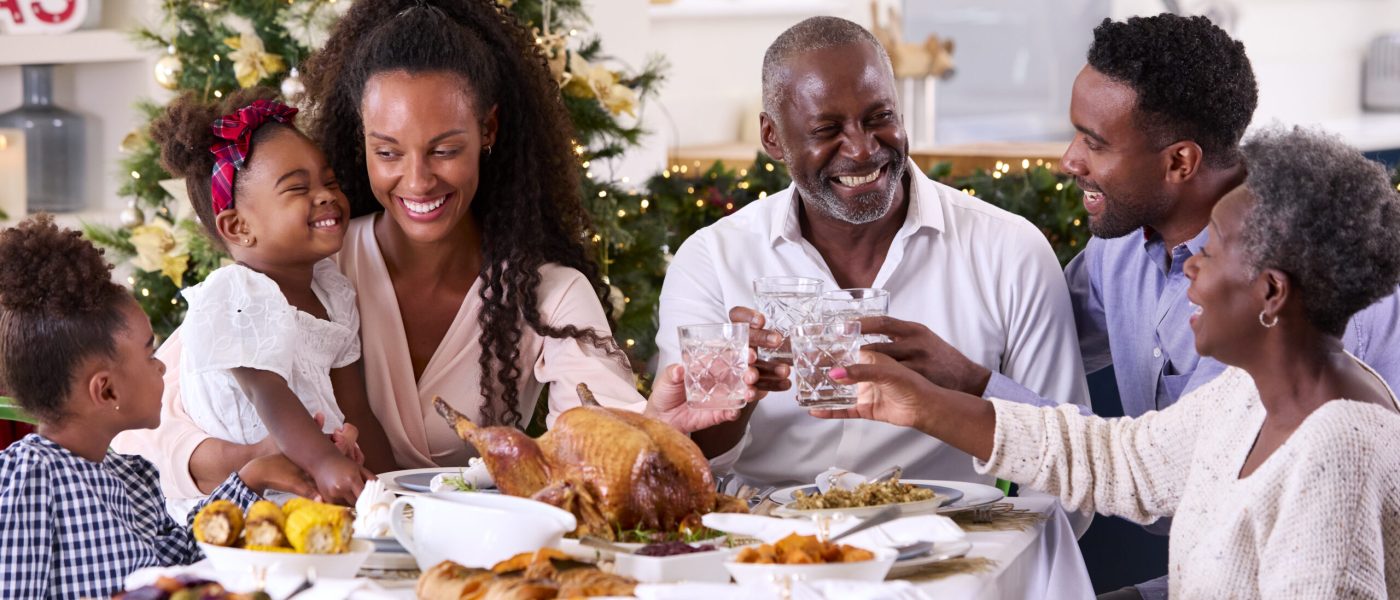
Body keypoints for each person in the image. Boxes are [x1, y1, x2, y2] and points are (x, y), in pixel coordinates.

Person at [114, 0, 759, 501]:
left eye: (445, 149)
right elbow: (142, 424)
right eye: (387, 152)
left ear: (489, 131)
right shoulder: (308, 269)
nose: (418, 182)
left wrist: (663, 424)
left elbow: (603, 448)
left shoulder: (548, 294)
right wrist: (249, 457)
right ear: (360, 141)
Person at [862, 14, 1400, 598]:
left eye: (1210, 255)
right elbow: (1123, 461)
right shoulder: (1247, 395)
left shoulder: (1337, 449)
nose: (1069, 160)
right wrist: (937, 390)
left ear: (1180, 162)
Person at [656, 16, 1089, 489]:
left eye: (879, 118)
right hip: (766, 551)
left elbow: (1070, 478)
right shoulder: (711, 262)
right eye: (826, 129)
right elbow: (680, 471)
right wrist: (739, 395)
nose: (862, 150)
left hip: (959, 548)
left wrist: (965, 381)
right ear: (772, 138)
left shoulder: (1010, 251)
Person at [0, 216, 315, 600]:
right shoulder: (30, 475)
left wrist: (250, 478)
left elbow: (178, 562)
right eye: (150, 353)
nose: (163, 365)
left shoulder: (131, 473)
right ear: (107, 390)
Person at [148, 88, 381, 506]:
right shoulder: (236, 293)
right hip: (241, 499)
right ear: (238, 228)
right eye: (297, 189)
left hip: (317, 480)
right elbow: (266, 393)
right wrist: (325, 462)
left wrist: (392, 483)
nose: (326, 194)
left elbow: (356, 408)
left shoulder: (334, 291)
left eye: (329, 181)